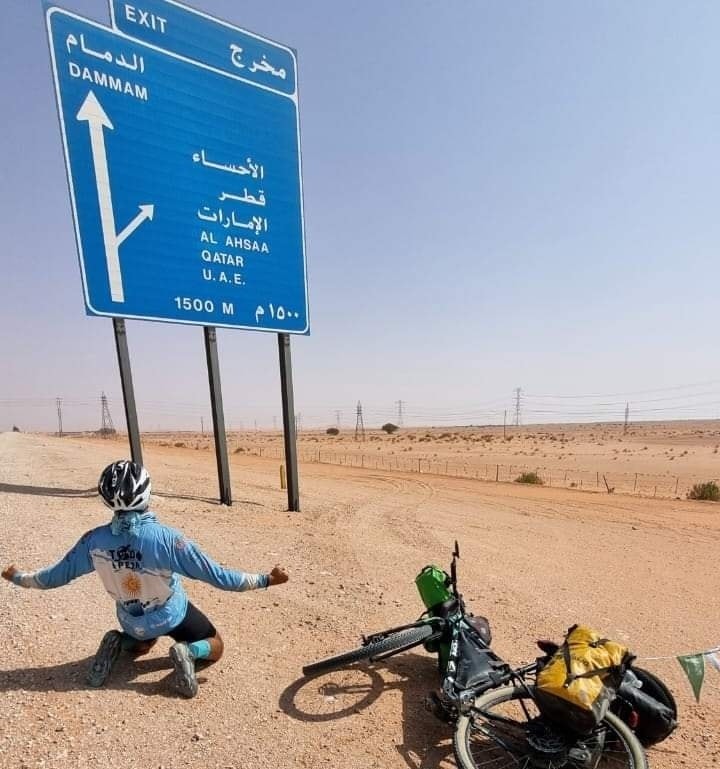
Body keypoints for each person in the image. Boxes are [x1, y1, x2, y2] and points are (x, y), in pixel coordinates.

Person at [1, 459, 288, 698]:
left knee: (143, 642)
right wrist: (266, 579)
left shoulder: (92, 541)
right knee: (216, 644)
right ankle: (188, 651)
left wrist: (18, 577)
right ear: (146, 493)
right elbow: (219, 576)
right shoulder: (168, 539)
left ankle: (119, 642)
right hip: (172, 615)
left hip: (131, 620)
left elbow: (54, 576)